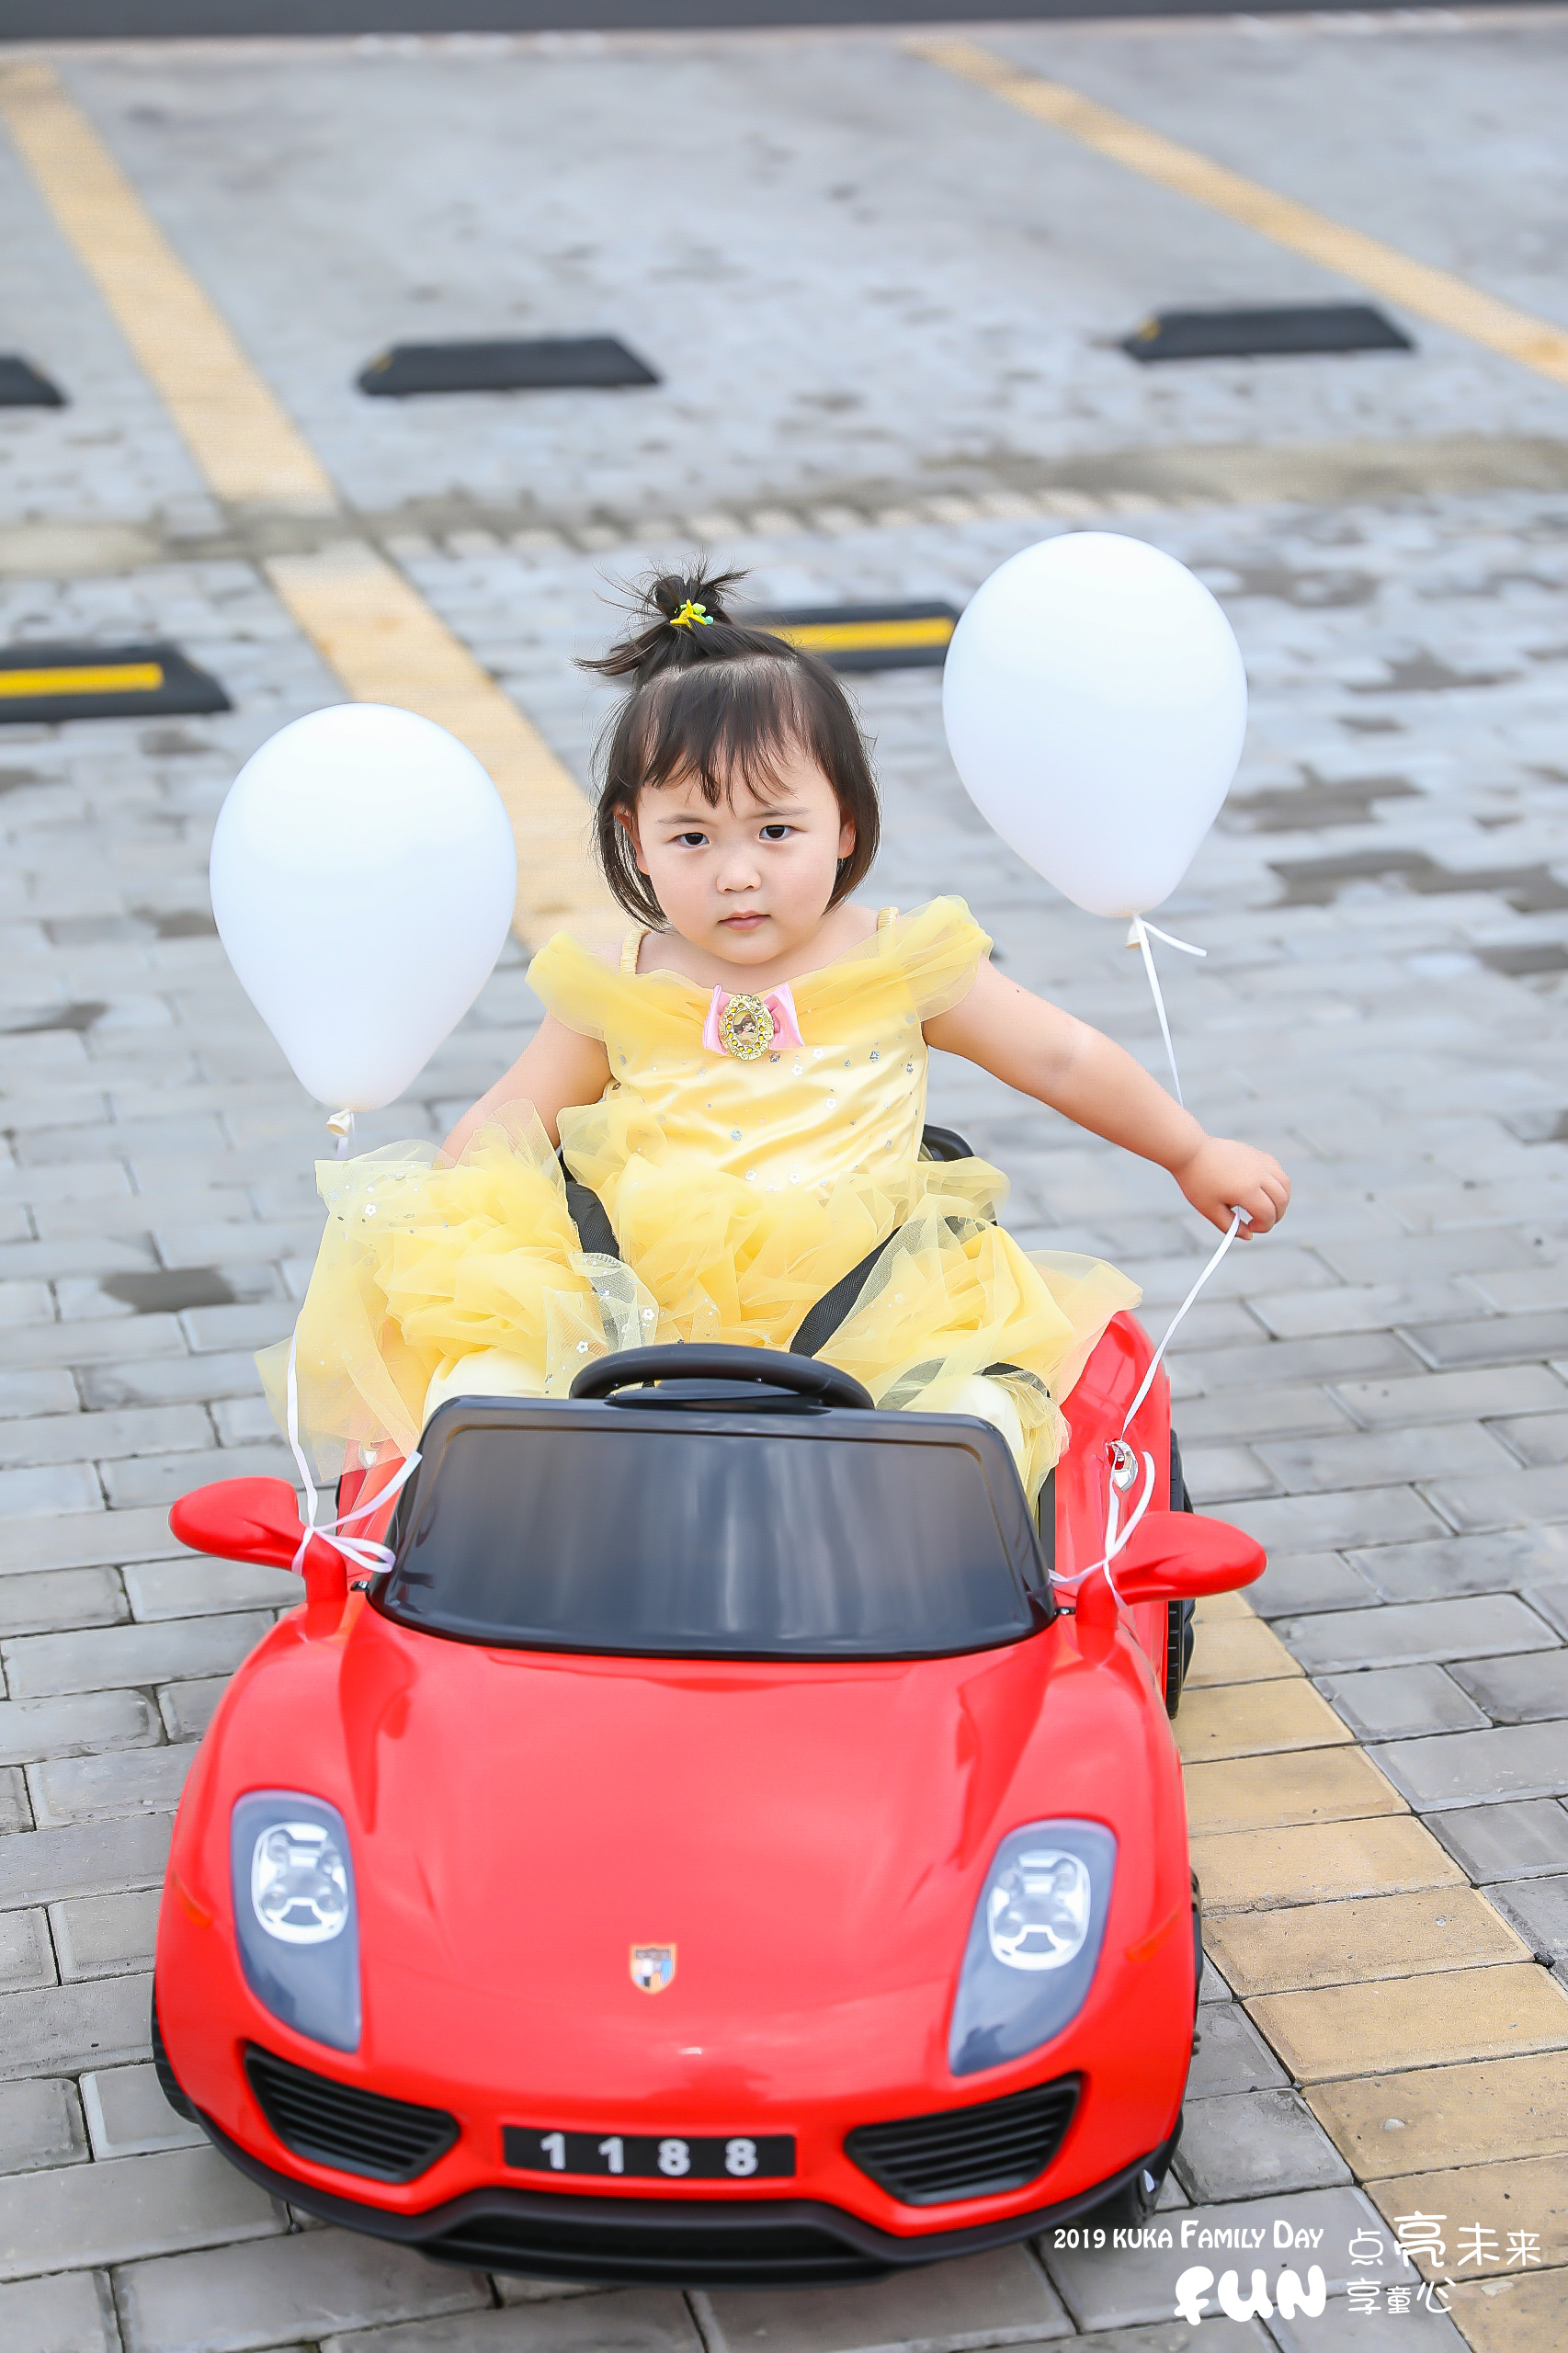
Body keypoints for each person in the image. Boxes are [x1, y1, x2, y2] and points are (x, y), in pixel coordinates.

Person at [265, 567, 1290, 1507]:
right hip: (633, 1301)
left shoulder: (902, 962)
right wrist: (422, 1231)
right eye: (691, 837)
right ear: (633, 839)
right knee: (481, 1389)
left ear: (845, 822)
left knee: (967, 1417)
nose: (737, 873)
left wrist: (1189, 1150)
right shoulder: (617, 987)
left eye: (775, 830)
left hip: (871, 1297)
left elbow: (1061, 1056)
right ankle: (472, 1586)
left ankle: (934, 1592)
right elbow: (507, 1120)